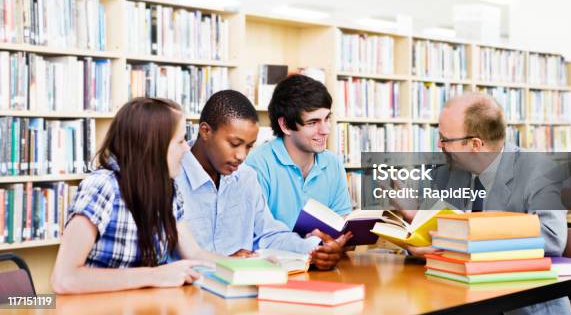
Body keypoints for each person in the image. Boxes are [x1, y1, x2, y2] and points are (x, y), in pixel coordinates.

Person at [404, 92, 571, 315]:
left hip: (522, 305)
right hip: (457, 297)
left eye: (445, 139)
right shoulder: (446, 173)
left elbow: (551, 238)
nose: (439, 145)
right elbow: (434, 233)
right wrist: (414, 232)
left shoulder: (539, 171)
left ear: (476, 144)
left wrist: (465, 237)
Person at [51, 98, 219, 294]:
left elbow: (195, 253)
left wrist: (251, 266)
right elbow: (64, 278)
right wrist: (154, 275)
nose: (187, 148)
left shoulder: (168, 189)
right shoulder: (102, 187)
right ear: (153, 146)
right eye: (180, 141)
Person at [175, 90, 350, 270]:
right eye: (235, 144)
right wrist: (225, 262)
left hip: (241, 288)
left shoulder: (246, 177)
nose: (242, 156)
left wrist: (316, 248)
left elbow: (268, 234)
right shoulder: (170, 179)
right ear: (205, 131)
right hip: (185, 291)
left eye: (249, 146)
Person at [246, 74, 352, 229]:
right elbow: (256, 233)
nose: (325, 130)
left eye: (327, 119)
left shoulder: (333, 163)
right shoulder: (258, 164)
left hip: (324, 252)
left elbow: (342, 227)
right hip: (275, 253)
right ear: (285, 125)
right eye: (313, 122)